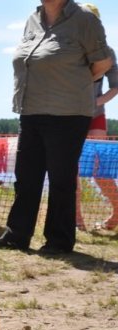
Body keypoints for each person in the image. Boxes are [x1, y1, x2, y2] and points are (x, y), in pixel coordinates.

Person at [0, 0, 112, 255]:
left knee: (61, 178)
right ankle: (18, 235)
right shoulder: (32, 20)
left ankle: (59, 241)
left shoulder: (85, 20)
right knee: (26, 176)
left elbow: (102, 64)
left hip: (68, 112)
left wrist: (71, 83)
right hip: (31, 109)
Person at [75, 3, 118, 232]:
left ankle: (116, 213)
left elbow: (115, 87)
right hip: (69, 115)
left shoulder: (107, 51)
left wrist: (95, 103)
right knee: (71, 169)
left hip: (95, 116)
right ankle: (77, 221)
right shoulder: (68, 48)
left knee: (99, 170)